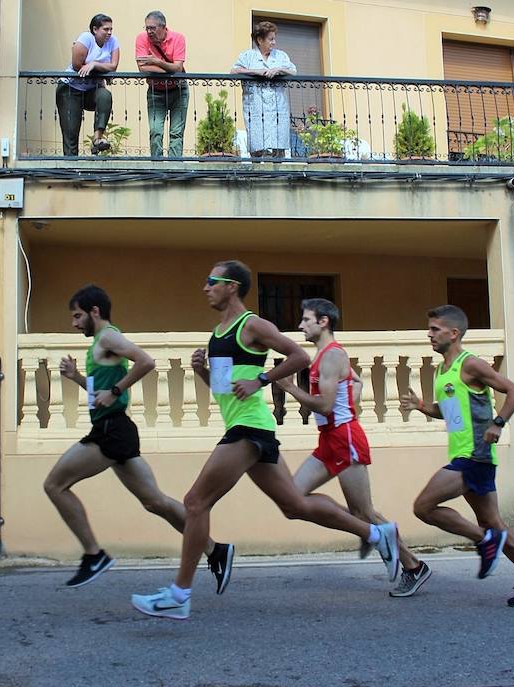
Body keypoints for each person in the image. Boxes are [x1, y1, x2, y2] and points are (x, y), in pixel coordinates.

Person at [131, 260, 400, 620]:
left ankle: (180, 594)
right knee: (294, 505)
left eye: (213, 281)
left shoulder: (252, 324)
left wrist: (261, 380)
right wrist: (202, 372)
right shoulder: (219, 333)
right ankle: (376, 534)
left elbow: (299, 355)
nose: (205, 287)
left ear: (232, 287)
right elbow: (226, 389)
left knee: (195, 502)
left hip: (250, 428)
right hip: (246, 425)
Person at [44, 284, 233, 593]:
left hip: (110, 431)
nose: (74, 323)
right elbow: (102, 395)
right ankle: (215, 550)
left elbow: (146, 362)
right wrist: (77, 378)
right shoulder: (100, 343)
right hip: (115, 428)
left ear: (95, 312)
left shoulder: (108, 336)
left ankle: (94, 554)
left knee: (54, 484)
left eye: (78, 316)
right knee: (155, 502)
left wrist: (117, 390)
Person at [400, 304, 514, 608]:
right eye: (429, 328)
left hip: (474, 455)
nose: (429, 334)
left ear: (453, 333)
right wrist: (421, 406)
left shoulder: (471, 364)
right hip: (466, 454)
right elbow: (448, 412)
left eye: (435, 329)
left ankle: (485, 542)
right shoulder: (444, 371)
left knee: (424, 506)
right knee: (493, 522)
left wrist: (499, 424)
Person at [276, 298, 432, 598]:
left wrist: (290, 389)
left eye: (306, 320)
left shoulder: (333, 356)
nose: (300, 325)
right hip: (329, 438)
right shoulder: (324, 356)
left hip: (345, 438)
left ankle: (414, 567)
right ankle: (365, 531)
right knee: (293, 499)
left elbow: (323, 403)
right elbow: (356, 382)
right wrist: (351, 393)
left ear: (323, 322)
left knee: (364, 511)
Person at [231, 21, 296, 160]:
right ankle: (256, 175)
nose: (274, 42)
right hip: (255, 106)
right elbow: (234, 71)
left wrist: (279, 69)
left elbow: (293, 71)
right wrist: (256, 71)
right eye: (271, 39)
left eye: (274, 38)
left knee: (278, 147)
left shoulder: (281, 56)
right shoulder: (247, 56)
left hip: (277, 105)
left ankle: (279, 176)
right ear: (260, 40)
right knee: (257, 145)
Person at [56, 13, 120, 156]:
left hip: (91, 89)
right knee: (71, 132)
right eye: (105, 29)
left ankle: (97, 140)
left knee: (104, 95)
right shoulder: (86, 38)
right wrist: (102, 71)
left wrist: (94, 64)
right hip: (70, 88)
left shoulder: (113, 41)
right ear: (95, 29)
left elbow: (113, 66)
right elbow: (77, 65)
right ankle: (71, 167)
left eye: (111, 29)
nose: (109, 32)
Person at [135, 10, 188, 159]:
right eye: (147, 28)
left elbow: (178, 68)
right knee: (155, 130)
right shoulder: (141, 39)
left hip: (178, 91)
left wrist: (157, 62)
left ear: (163, 27)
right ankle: (157, 165)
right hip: (155, 91)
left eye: (152, 28)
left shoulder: (178, 38)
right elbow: (142, 68)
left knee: (176, 132)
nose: (149, 32)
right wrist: (169, 69)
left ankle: (175, 166)